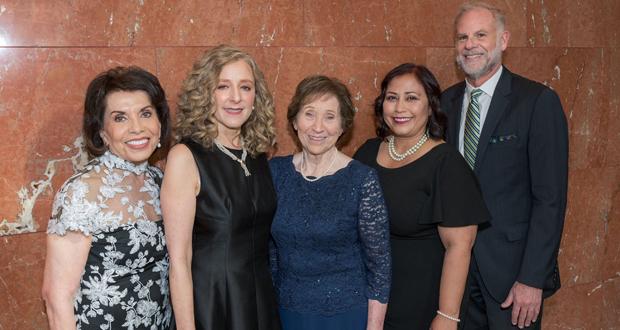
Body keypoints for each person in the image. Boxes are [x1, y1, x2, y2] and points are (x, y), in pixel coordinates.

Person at [441, 2, 569, 329]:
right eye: (462, 37)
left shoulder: (537, 102)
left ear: (504, 40)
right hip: (455, 274)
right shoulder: (444, 104)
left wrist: (532, 278)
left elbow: (550, 200)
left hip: (513, 279)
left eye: (481, 35)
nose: (470, 45)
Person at [354, 63, 489, 329]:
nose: (399, 108)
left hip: (420, 305)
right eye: (392, 98)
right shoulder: (367, 153)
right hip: (368, 301)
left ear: (430, 106)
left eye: (412, 98)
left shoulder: (447, 164)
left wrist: (447, 316)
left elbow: (459, 247)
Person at [42, 66, 173, 329]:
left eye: (145, 113)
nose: (137, 128)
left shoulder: (162, 182)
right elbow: (57, 296)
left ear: (159, 123)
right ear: (102, 131)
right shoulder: (82, 192)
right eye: (120, 118)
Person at [161, 45, 280, 330]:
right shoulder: (185, 157)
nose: (236, 98)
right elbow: (179, 260)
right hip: (213, 303)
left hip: (260, 298)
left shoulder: (256, 154)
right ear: (205, 93)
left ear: (256, 97)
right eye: (223, 86)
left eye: (245, 87)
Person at [269, 75, 391, 330]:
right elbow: (270, 252)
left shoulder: (361, 179)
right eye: (309, 114)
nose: (317, 127)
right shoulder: (275, 173)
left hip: (345, 314)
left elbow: (379, 264)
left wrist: (375, 327)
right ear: (294, 120)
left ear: (343, 125)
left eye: (329, 116)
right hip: (286, 311)